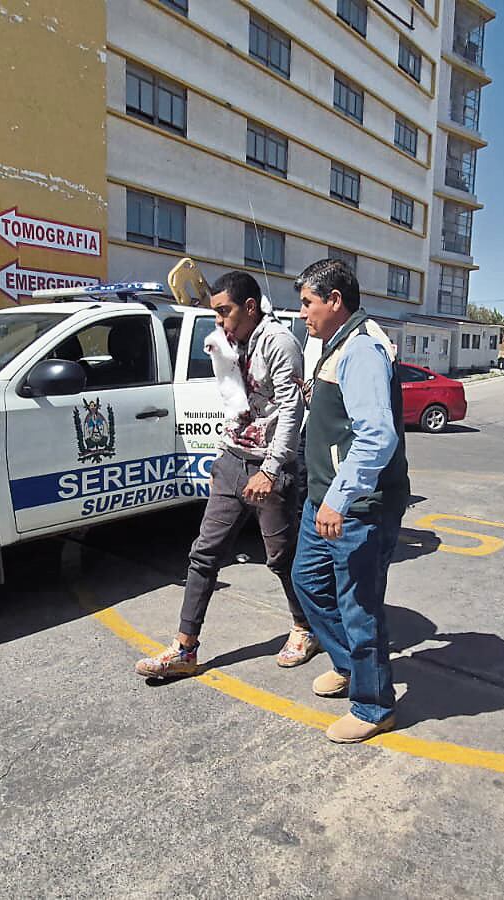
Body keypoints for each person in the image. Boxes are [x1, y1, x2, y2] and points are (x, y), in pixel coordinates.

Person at [134, 271, 318, 678]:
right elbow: (235, 402)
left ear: (250, 307)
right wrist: (223, 458)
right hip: (233, 461)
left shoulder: (279, 342)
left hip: (272, 466)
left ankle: (305, 627)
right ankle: (185, 649)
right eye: (216, 312)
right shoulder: (230, 342)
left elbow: (291, 410)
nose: (219, 320)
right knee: (204, 554)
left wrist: (270, 470)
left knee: (281, 558)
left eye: (224, 312)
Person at [290, 258, 410, 744]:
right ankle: (348, 666)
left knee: (359, 606)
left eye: (307, 303)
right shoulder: (334, 345)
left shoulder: (361, 349)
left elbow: (377, 435)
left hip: (356, 506)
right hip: (322, 497)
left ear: (334, 300)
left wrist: (339, 499)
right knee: (307, 581)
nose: (302, 314)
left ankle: (374, 704)